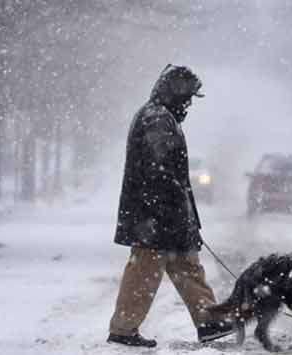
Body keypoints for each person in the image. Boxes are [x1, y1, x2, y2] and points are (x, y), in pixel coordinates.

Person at [107, 65, 233, 347]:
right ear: (174, 92)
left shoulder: (161, 116)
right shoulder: (156, 118)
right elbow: (160, 170)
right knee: (145, 270)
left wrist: (185, 215)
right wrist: (174, 210)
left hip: (164, 213)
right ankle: (124, 329)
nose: (188, 104)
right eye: (186, 97)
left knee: (186, 265)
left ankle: (209, 321)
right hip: (153, 215)